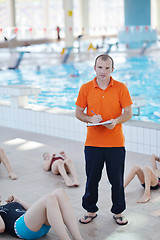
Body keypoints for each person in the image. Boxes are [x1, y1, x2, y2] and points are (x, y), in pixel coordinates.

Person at [75, 54, 133, 225]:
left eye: (107, 68)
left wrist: (115, 121)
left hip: (115, 144)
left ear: (112, 70)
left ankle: (118, 211)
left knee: (117, 180)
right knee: (92, 178)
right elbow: (78, 113)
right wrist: (89, 119)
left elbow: (128, 113)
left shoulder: (121, 88)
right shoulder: (85, 88)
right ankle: (90, 209)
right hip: (93, 144)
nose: (103, 71)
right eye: (100, 67)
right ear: (95, 68)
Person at [0, 189, 84, 240]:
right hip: (21, 228)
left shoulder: (6, 204)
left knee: (59, 192)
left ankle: (78, 238)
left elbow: (34, 211)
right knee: (49, 198)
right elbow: (1, 228)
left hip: (36, 224)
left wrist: (19, 201)